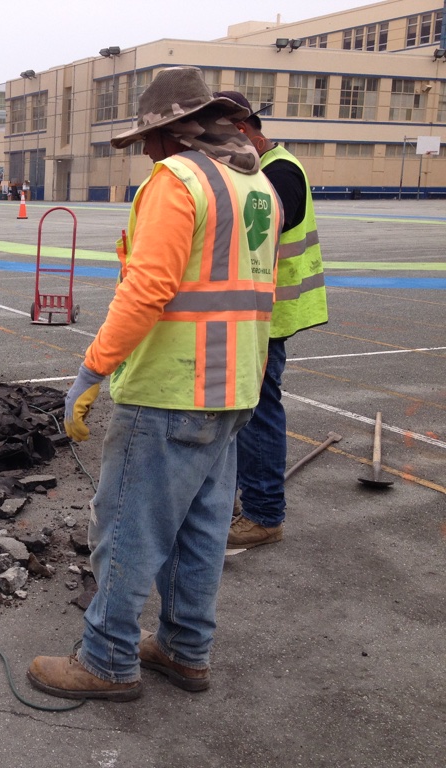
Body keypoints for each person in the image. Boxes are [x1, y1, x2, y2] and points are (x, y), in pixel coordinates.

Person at [27, 67, 282, 701]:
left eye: (148, 138)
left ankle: (107, 659)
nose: (144, 150)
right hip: (235, 387)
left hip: (171, 388)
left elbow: (147, 289)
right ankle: (184, 648)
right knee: (201, 530)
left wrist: (93, 369)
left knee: (129, 528)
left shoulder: (178, 182)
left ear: (173, 132)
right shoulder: (256, 186)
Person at [214, 91, 329, 549]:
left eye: (220, 143)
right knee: (246, 411)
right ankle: (250, 499)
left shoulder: (279, 173)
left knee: (258, 412)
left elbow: (250, 230)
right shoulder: (264, 169)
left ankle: (263, 514)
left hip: (270, 314)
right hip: (254, 311)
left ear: (244, 133)